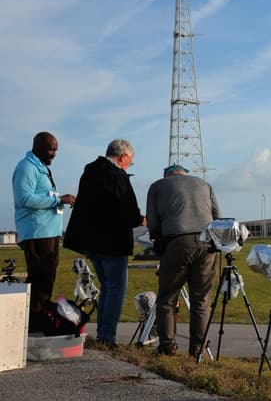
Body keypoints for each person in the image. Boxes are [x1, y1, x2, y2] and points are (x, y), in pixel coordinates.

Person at [63, 139, 146, 347]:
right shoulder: (117, 175)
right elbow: (128, 209)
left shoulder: (90, 172)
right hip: (113, 242)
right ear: (123, 157)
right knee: (116, 289)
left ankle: (103, 334)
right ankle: (107, 337)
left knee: (106, 287)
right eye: (130, 162)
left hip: (91, 241)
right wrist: (140, 220)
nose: (128, 166)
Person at [146, 163, 221, 356]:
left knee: (167, 298)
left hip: (177, 242)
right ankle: (197, 351)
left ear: (167, 175)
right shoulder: (205, 185)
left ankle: (167, 347)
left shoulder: (157, 186)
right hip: (206, 243)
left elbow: (153, 221)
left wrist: (158, 240)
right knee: (201, 300)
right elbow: (218, 218)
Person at [12, 132, 76, 333]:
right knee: (40, 280)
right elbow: (25, 199)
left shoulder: (41, 169)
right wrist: (59, 200)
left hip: (47, 232)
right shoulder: (26, 168)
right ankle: (33, 326)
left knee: (46, 279)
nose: (54, 154)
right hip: (36, 233)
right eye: (51, 149)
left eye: (56, 150)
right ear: (37, 146)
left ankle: (38, 322)